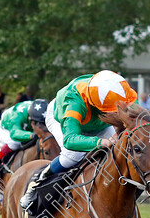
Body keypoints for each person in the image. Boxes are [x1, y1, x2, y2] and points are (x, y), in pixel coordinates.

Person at [20, 71, 137, 210]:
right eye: (113, 111)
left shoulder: (116, 88)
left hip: (98, 122)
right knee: (73, 155)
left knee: (119, 150)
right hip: (60, 117)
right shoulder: (74, 102)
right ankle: (37, 183)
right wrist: (100, 143)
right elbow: (70, 140)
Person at [0, 99, 47, 183]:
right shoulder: (17, 115)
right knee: (14, 143)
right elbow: (14, 134)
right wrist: (31, 135)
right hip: (5, 129)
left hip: (23, 128)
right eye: (37, 123)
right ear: (29, 118)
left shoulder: (42, 111)